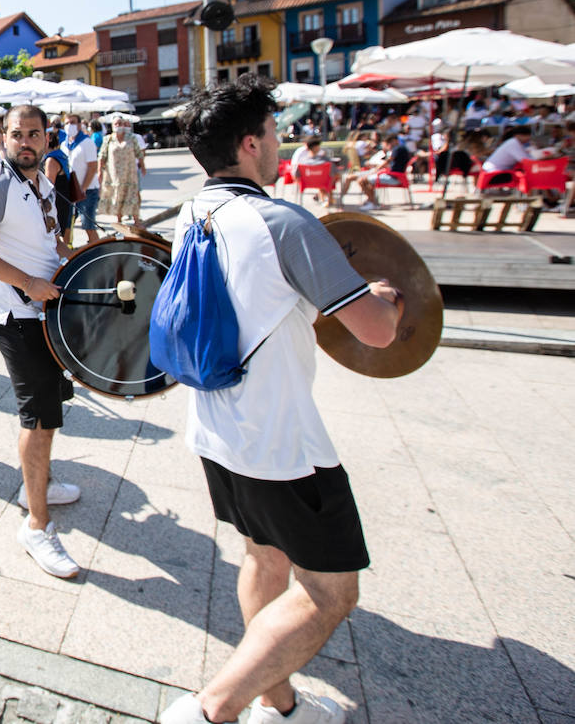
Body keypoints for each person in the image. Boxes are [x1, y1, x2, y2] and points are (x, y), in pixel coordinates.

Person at [157, 77, 403, 724]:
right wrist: (388, 297)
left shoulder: (193, 212)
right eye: (273, 132)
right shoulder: (282, 220)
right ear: (249, 143)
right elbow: (375, 331)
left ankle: (278, 700)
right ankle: (214, 706)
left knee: (263, 555)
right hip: (283, 445)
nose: (279, 143)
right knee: (328, 594)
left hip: (215, 431)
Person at [0, 105, 83, 579]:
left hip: (41, 311)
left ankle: (42, 484)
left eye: (34, 134)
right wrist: (29, 282)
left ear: (47, 137)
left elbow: (47, 243)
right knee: (38, 417)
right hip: (15, 314)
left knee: (51, 408)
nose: (25, 142)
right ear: (4, 139)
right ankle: (36, 525)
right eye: (17, 135)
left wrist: (82, 256)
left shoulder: (40, 183)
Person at [60, 113, 98, 246]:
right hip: (70, 191)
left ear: (79, 124)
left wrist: (82, 189)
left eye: (73, 122)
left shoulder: (87, 143)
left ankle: (97, 250)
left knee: (88, 225)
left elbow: (93, 167)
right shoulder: (64, 145)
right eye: (67, 123)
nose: (70, 125)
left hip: (87, 190)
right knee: (66, 225)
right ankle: (67, 252)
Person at [101, 119, 144, 224]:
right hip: (114, 174)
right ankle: (119, 220)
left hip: (129, 173)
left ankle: (136, 220)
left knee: (132, 195)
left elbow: (139, 153)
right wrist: (99, 171)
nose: (119, 126)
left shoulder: (131, 138)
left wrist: (142, 166)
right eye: (116, 124)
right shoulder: (108, 139)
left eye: (121, 124)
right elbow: (102, 155)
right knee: (117, 195)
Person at [356, 133, 411, 210]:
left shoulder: (397, 148)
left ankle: (372, 202)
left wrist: (376, 170)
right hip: (396, 176)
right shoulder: (401, 148)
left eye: (389, 142)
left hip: (395, 178)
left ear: (394, 141)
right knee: (364, 180)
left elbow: (387, 161)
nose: (389, 145)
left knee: (362, 180)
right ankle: (372, 200)